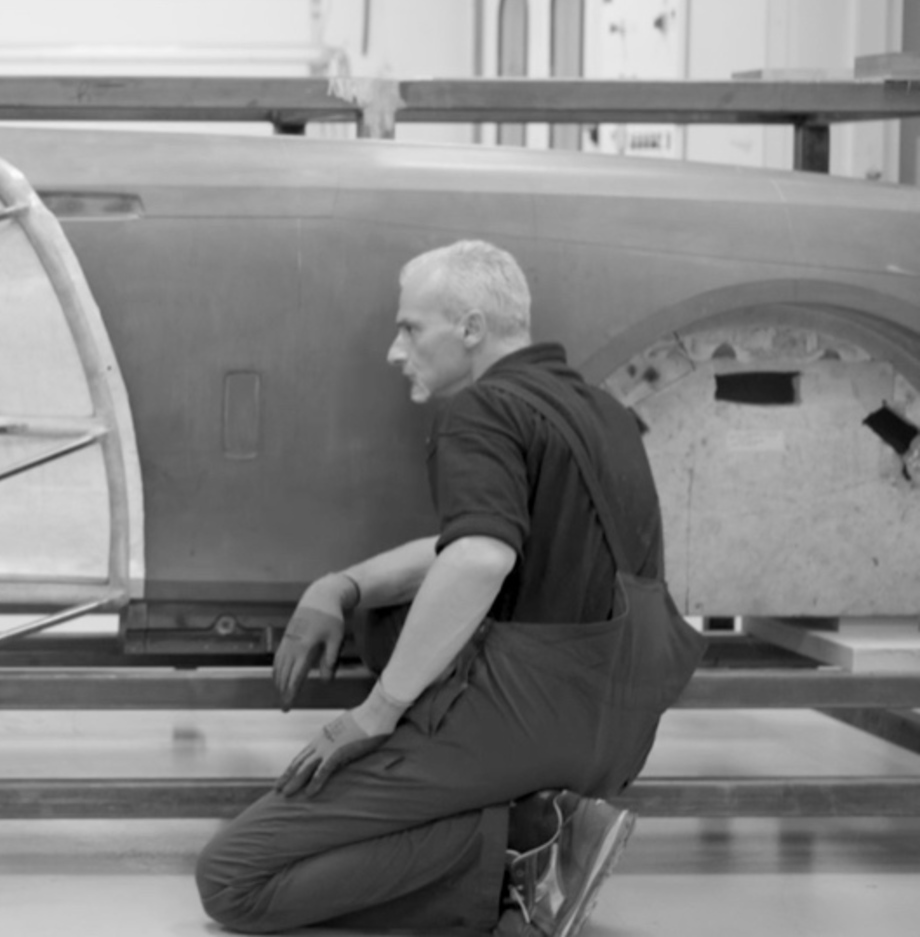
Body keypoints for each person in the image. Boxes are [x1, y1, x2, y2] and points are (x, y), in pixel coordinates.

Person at [194, 240, 706, 935]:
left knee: (234, 881)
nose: (394, 351)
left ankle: (522, 850)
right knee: (393, 616)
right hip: (621, 724)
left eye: (410, 328)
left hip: (525, 714)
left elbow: (479, 558)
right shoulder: (597, 409)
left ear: (470, 328)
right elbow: (469, 542)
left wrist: (379, 710)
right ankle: (539, 824)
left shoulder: (483, 410)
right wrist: (344, 585)